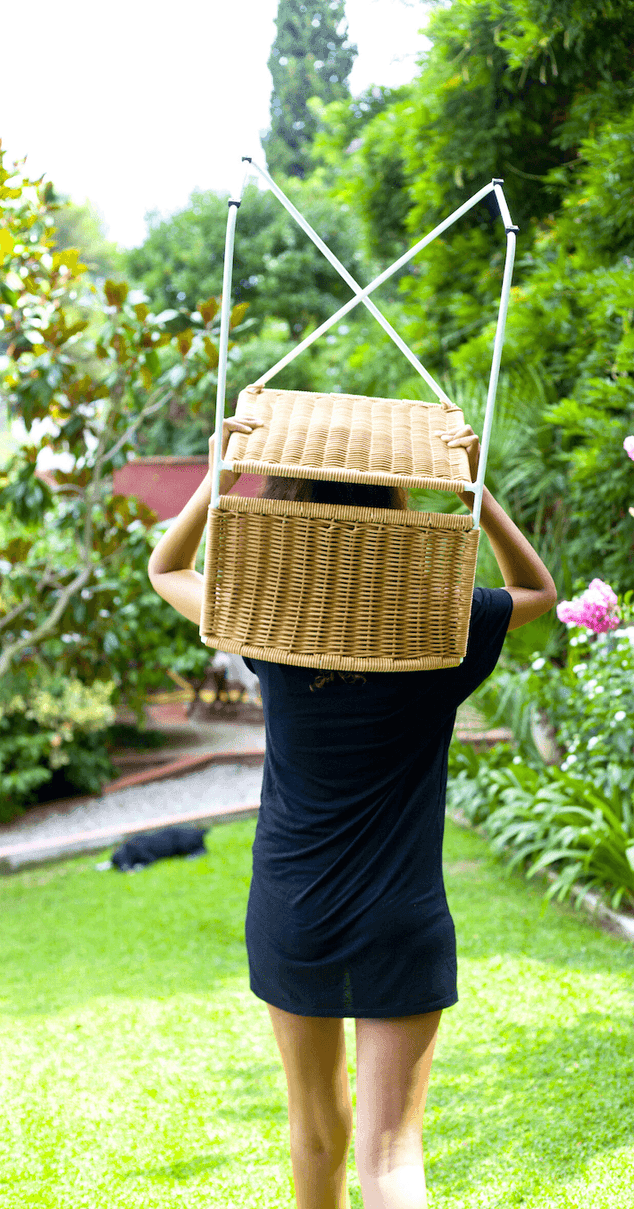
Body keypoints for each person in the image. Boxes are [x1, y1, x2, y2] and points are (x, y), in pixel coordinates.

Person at [147, 399, 558, 1209]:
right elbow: (536, 589)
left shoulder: (270, 618)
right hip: (402, 916)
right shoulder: (444, 621)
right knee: (392, 1153)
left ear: (290, 502)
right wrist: (476, 490)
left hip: (292, 908)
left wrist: (221, 474)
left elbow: (166, 570)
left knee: (315, 1136)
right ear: (393, 501)